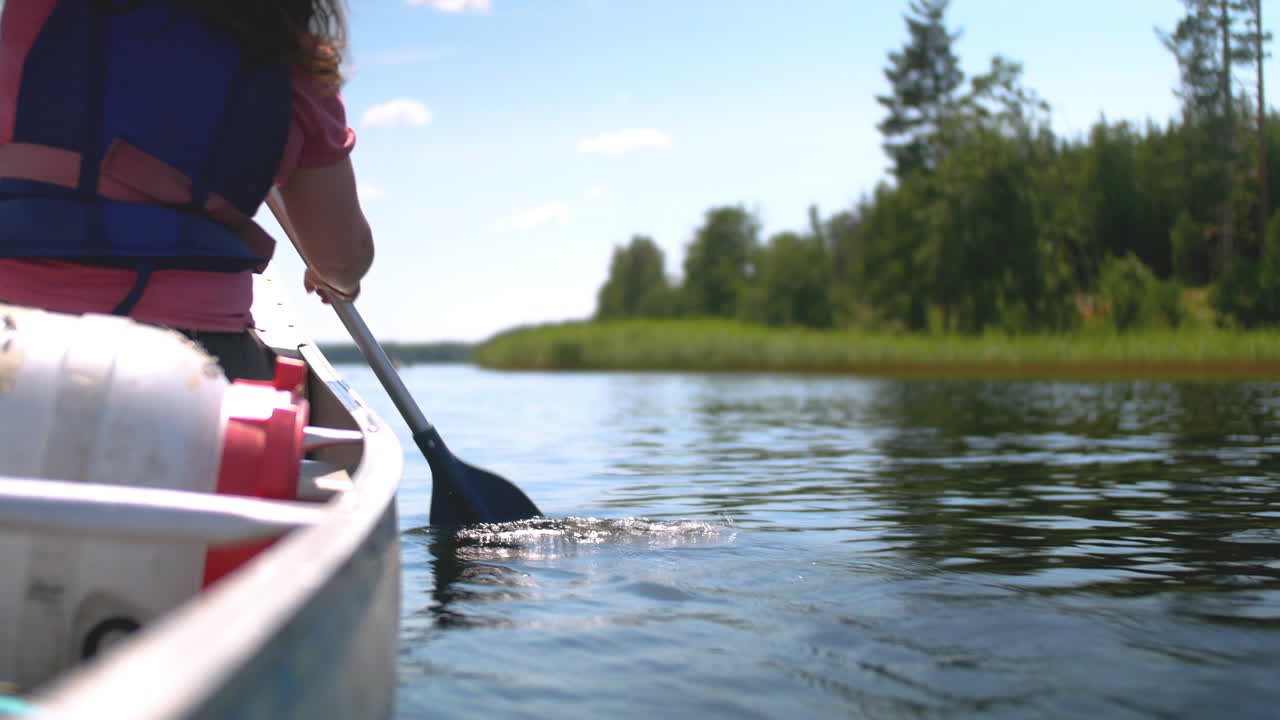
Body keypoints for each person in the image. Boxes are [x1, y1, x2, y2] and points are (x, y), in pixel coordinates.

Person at [0, 0, 374, 380]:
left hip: (17, 327)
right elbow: (344, 258)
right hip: (199, 347)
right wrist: (336, 278)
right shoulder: (295, 61)